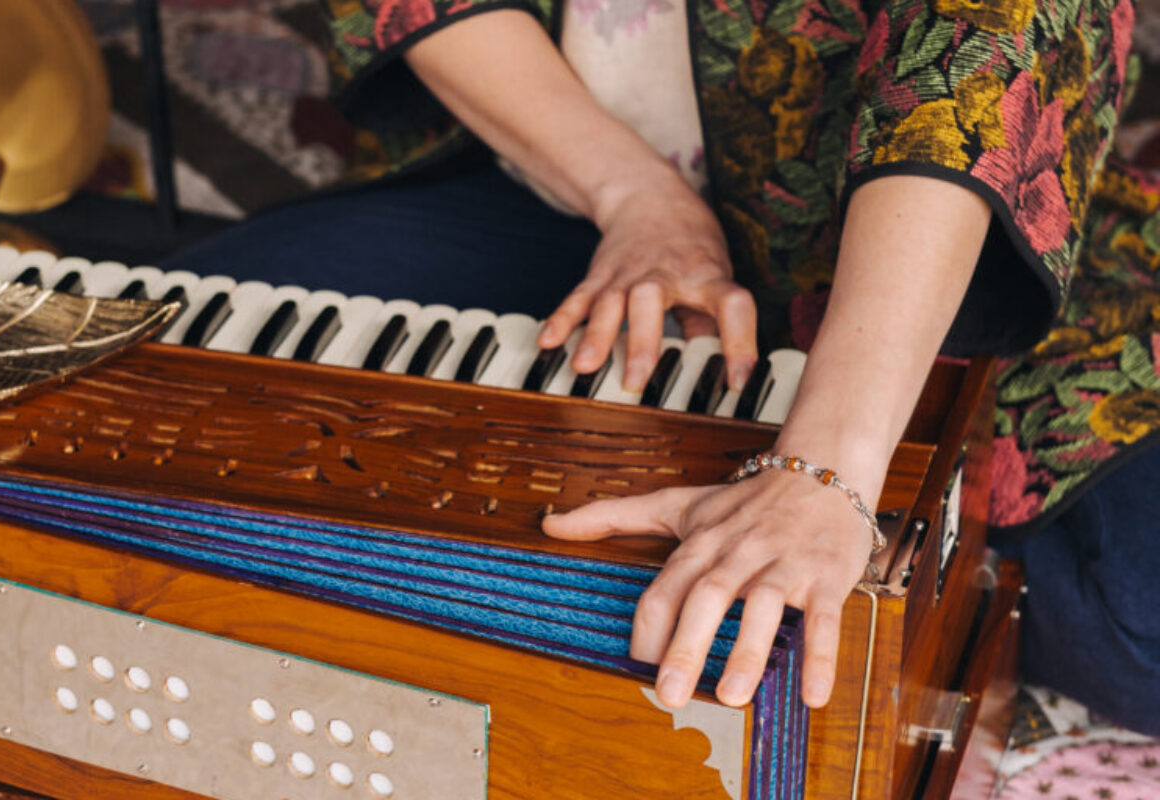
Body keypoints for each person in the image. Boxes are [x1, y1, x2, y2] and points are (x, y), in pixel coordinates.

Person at [160, 0, 1160, 731]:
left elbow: (980, 58)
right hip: (580, 183)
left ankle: (894, 552)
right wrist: (633, 198)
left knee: (1137, 622)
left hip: (951, 236)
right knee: (189, 373)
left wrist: (824, 472)